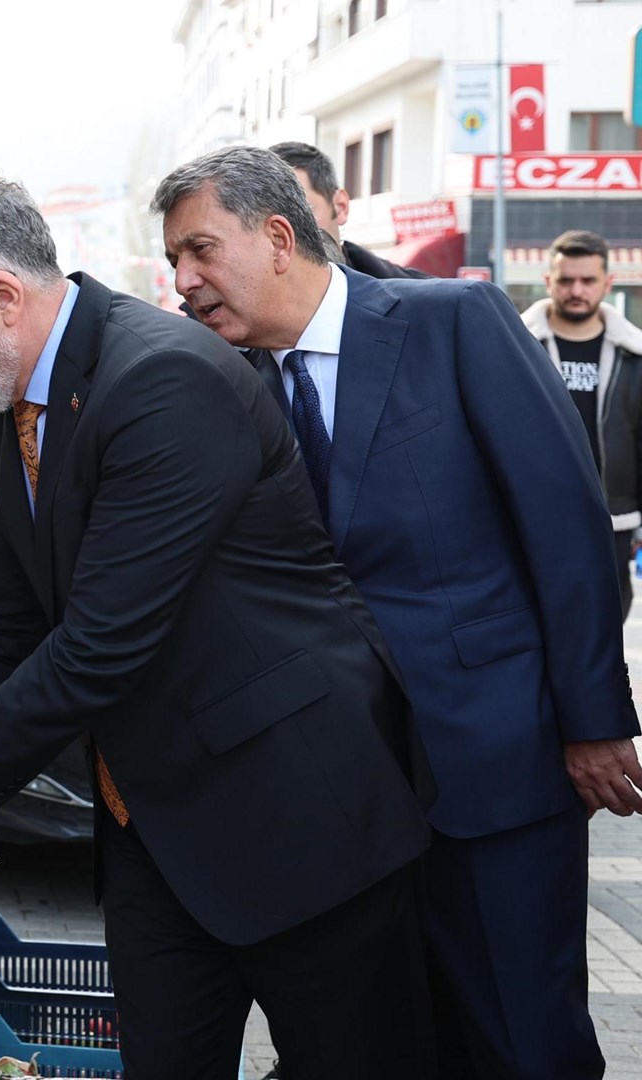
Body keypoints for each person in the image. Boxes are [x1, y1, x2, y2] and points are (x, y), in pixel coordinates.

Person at [0, 167, 435, 1075]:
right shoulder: (9, 414)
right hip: (154, 836)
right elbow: (2, 633)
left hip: (297, 818)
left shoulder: (164, 379)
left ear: (3, 294)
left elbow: (96, 648)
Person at [152, 145, 642, 1079]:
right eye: (175, 261)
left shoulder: (450, 321)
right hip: (347, 798)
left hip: (495, 767)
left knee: (524, 1045)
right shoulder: (232, 383)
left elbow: (566, 525)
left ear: (279, 236)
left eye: (200, 252)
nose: (184, 282)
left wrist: (593, 721)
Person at [521, 229, 642, 617]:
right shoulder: (519, 348)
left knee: (608, 617)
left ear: (608, 282)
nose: (577, 289)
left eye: (588, 280)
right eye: (566, 280)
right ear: (548, 282)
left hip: (614, 517)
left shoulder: (633, 355)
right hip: (534, 514)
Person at [268, 141, 430, 280]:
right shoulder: (248, 300)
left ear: (340, 206)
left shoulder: (416, 299)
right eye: (268, 220)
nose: (284, 231)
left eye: (299, 213)